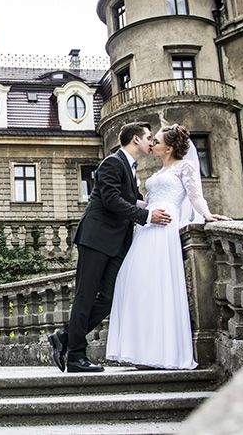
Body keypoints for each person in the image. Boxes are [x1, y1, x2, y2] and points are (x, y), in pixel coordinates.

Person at [47, 122, 172, 373]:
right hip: (96, 238)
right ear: (135, 139)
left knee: (108, 299)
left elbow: (129, 199)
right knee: (85, 295)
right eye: (149, 137)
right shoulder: (112, 162)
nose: (152, 142)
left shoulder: (130, 168)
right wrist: (146, 216)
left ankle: (64, 338)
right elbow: (111, 200)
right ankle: (76, 357)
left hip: (116, 242)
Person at [105, 124, 231, 370]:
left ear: (170, 148)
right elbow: (149, 201)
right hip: (148, 225)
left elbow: (195, 196)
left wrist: (207, 215)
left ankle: (163, 352)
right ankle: (142, 349)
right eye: (151, 140)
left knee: (159, 285)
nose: (152, 144)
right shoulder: (159, 170)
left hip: (165, 228)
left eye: (157, 141)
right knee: (136, 283)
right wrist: (129, 205)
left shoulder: (184, 166)